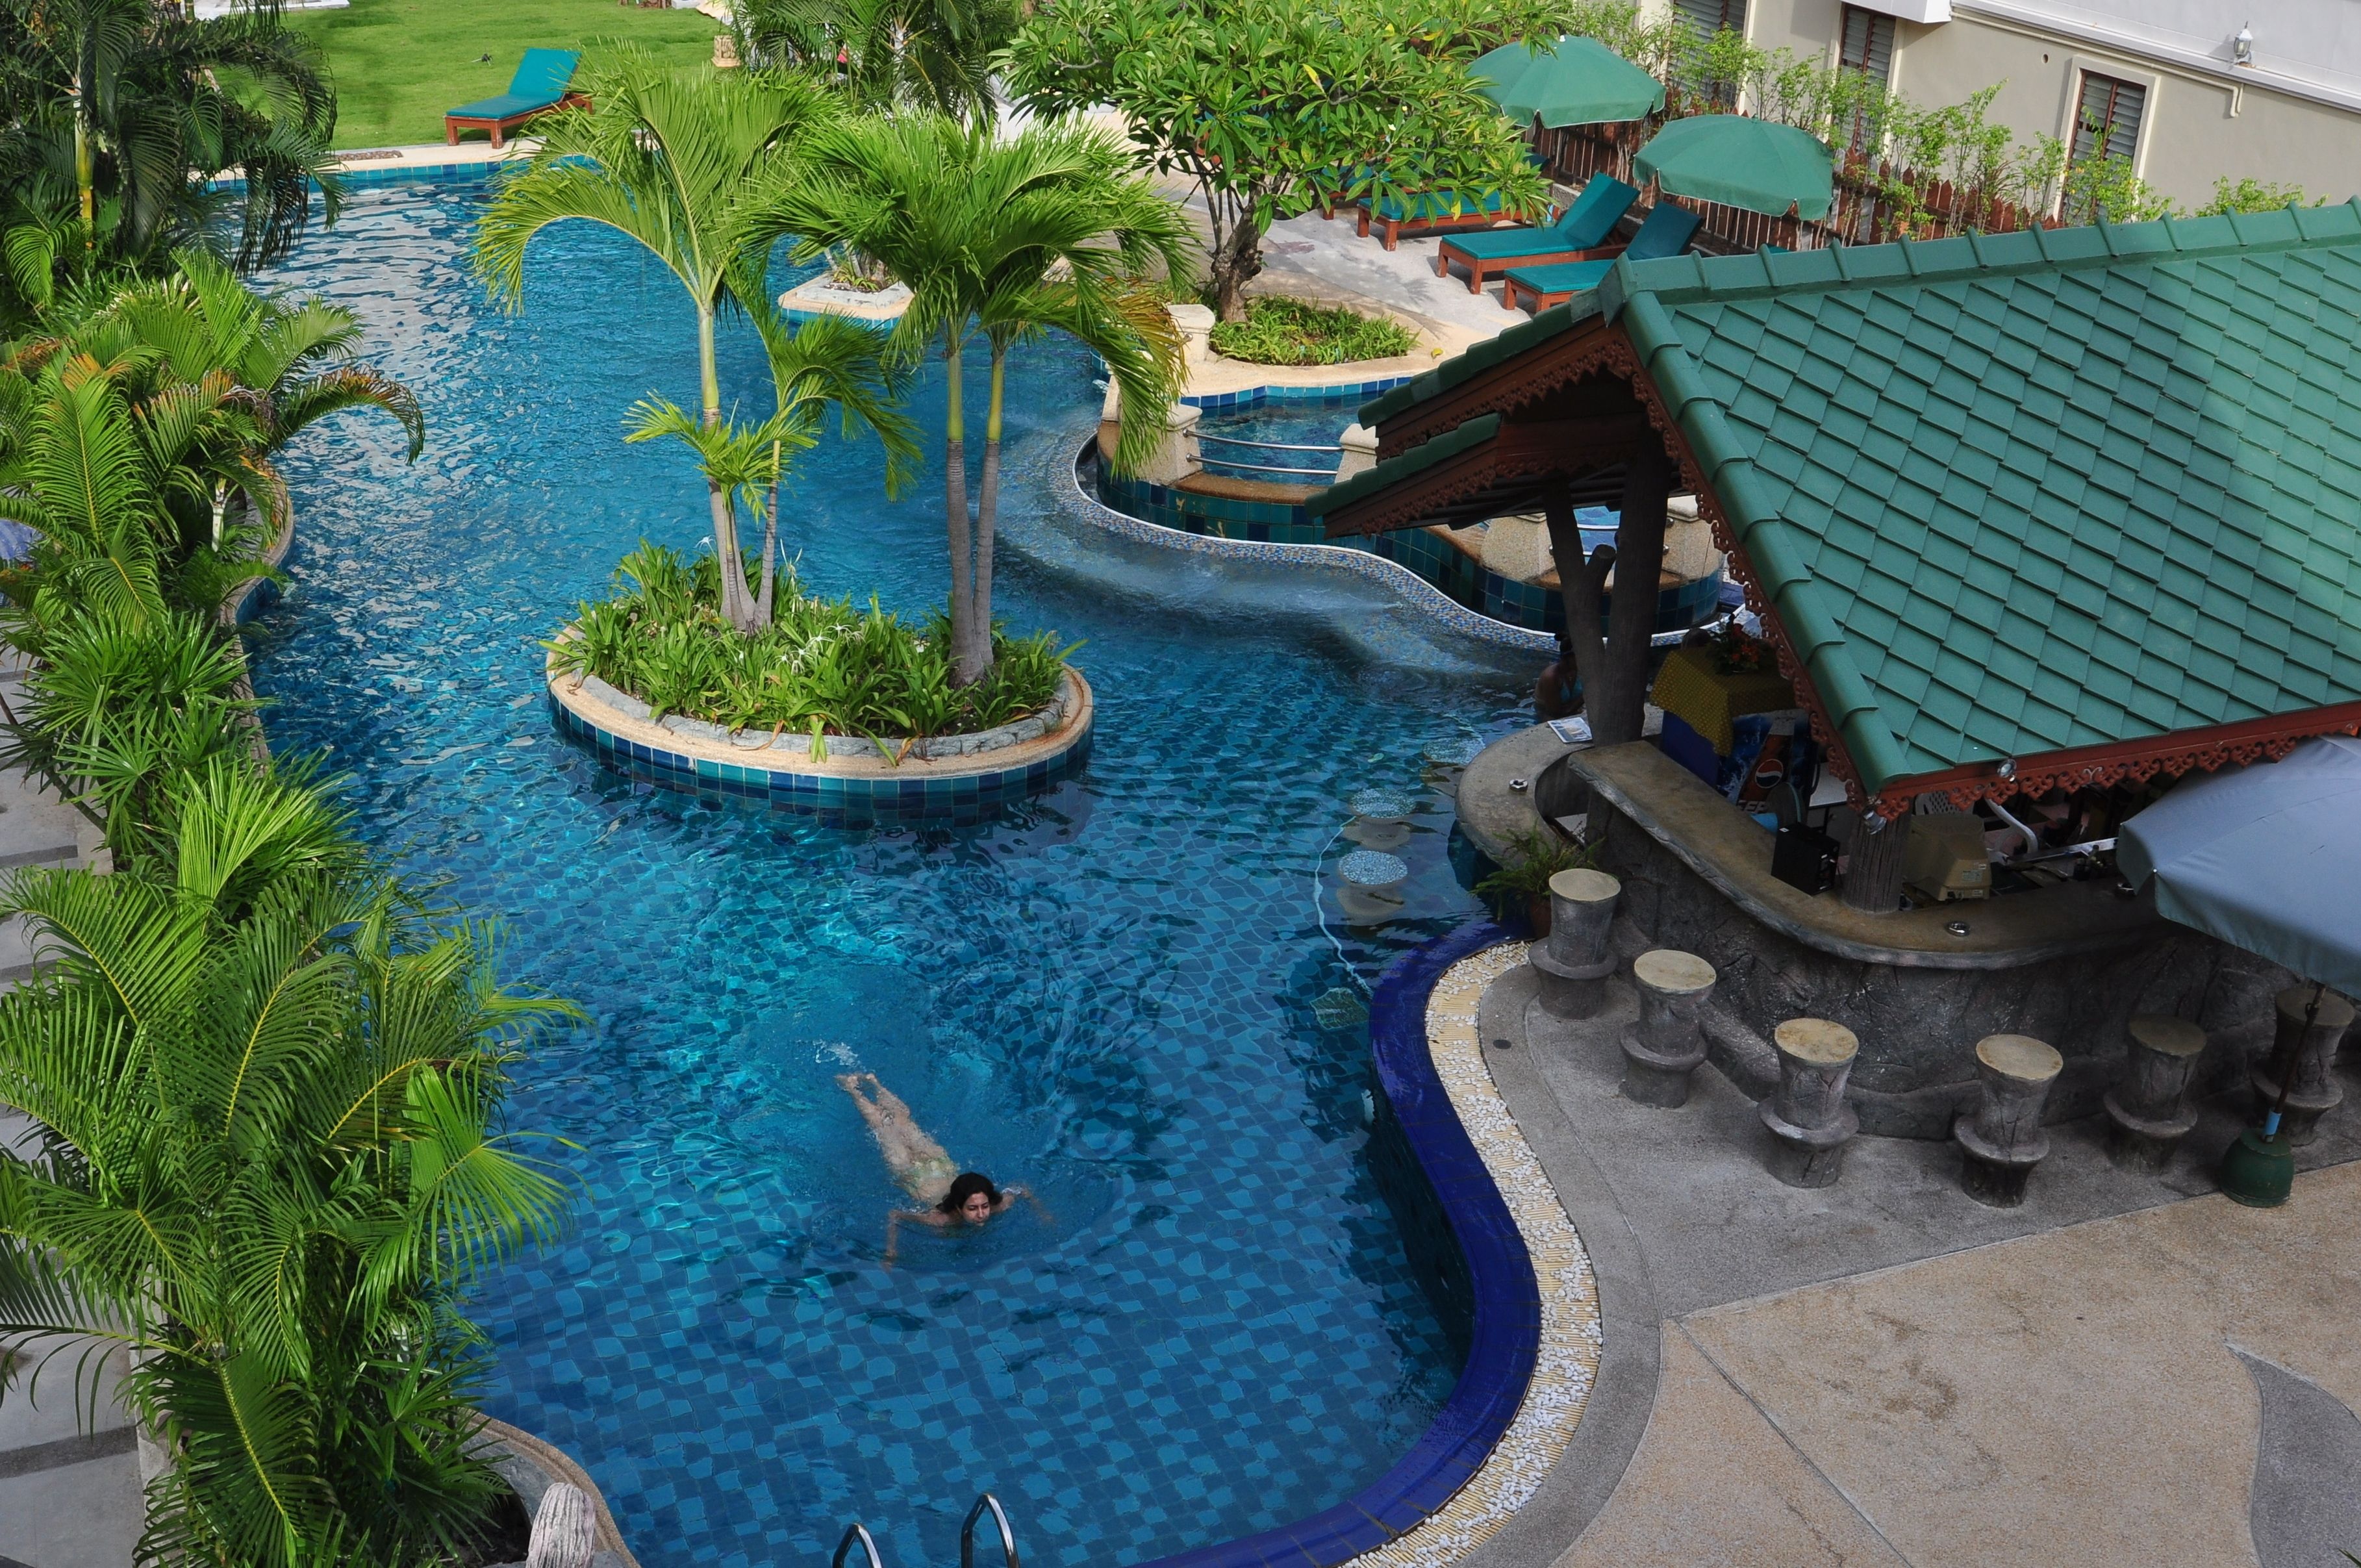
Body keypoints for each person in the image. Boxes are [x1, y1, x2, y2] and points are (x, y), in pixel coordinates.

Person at [835, 1072, 1037, 1263]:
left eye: (984, 1206)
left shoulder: (997, 1206)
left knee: (903, 1121)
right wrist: (891, 1251)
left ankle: (874, 1082)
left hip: (938, 1163)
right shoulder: (940, 1220)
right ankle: (852, 1087)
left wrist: (1044, 1214)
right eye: (973, 1208)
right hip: (909, 1172)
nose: (982, 1213)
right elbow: (895, 1215)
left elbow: (1022, 1190)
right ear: (958, 1207)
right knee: (882, 1126)